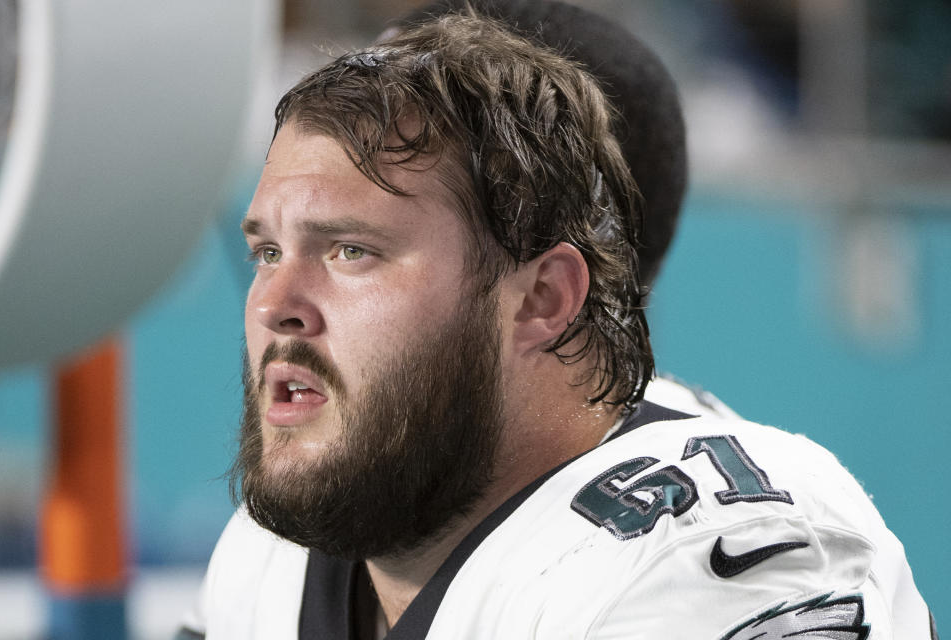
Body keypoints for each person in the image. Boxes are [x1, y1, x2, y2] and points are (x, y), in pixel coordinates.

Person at [178, 11, 934, 640]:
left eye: (351, 250)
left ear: (543, 298)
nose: (277, 302)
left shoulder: (702, 559)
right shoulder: (271, 553)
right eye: (266, 251)